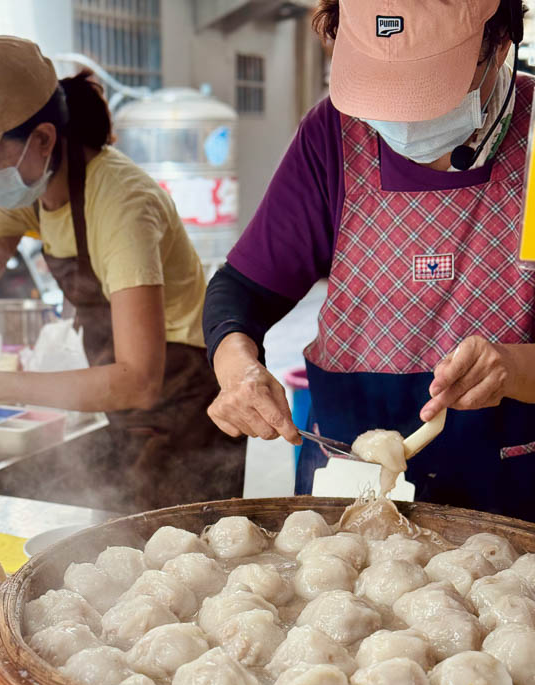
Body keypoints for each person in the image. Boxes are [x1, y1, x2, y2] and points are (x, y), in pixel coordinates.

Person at [203, 0, 535, 521]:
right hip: (347, 488)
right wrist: (237, 366)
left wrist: (516, 368)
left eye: (425, 90)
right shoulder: (332, 137)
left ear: (497, 46)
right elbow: (241, 290)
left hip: (511, 504)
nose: (401, 118)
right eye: (383, 91)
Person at [0, 36, 245, 512]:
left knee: (177, 555)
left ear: (41, 141)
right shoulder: (16, 190)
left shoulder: (120, 202)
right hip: (123, 406)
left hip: (187, 404)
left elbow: (139, 380)